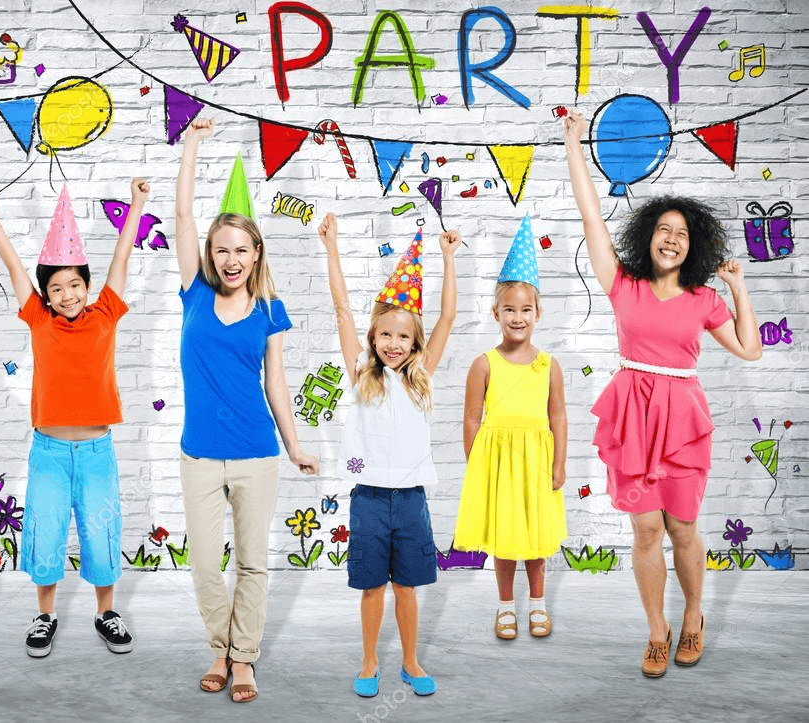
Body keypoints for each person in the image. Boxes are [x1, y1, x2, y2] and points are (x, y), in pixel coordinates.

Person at [564, 109, 762, 677]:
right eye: (663, 230)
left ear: (691, 246)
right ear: (648, 236)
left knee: (681, 528)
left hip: (680, 417)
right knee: (645, 529)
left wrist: (738, 288)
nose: (672, 239)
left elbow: (749, 350)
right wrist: (575, 143)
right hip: (632, 414)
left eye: (682, 233)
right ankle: (657, 629)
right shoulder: (622, 285)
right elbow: (590, 216)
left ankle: (694, 614)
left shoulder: (704, 299)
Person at [174, 117, 318, 703]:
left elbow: (277, 384)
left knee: (252, 564)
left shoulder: (269, 308)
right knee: (208, 565)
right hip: (200, 455)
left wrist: (295, 445)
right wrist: (191, 147)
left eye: (242, 249)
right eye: (221, 249)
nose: (231, 259)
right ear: (211, 253)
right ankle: (219, 647)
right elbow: (182, 218)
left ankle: (244, 662)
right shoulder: (195, 293)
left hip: (256, 453)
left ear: (257, 253)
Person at [0, 178, 150, 658]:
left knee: (101, 530)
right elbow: (14, 266)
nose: (69, 294)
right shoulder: (39, 319)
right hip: (49, 452)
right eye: (58, 287)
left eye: (76, 284)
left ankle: (106, 613)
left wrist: (136, 204)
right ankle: (45, 616)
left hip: (97, 452)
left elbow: (122, 259)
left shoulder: (106, 313)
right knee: (46, 528)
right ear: (46, 295)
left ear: (87, 286)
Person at [318, 210, 460, 698]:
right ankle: (369, 659)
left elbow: (447, 317)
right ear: (374, 339)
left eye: (403, 336)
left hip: (413, 499)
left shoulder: (423, 377)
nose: (394, 343)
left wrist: (447, 259)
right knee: (372, 586)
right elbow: (341, 312)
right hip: (370, 497)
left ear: (414, 341)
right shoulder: (362, 374)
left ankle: (412, 660)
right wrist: (332, 247)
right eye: (385, 335)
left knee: (407, 588)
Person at [452, 215, 568, 641]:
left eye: (525, 309)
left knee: (535, 538)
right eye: (509, 309)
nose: (517, 317)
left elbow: (558, 417)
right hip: (498, 463)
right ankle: (505, 606)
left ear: (538, 312)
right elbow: (471, 417)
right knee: (505, 538)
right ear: (495, 311)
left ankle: (537, 604)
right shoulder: (484, 363)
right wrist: (476, 462)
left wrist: (559, 464)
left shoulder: (548, 365)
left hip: (536, 461)